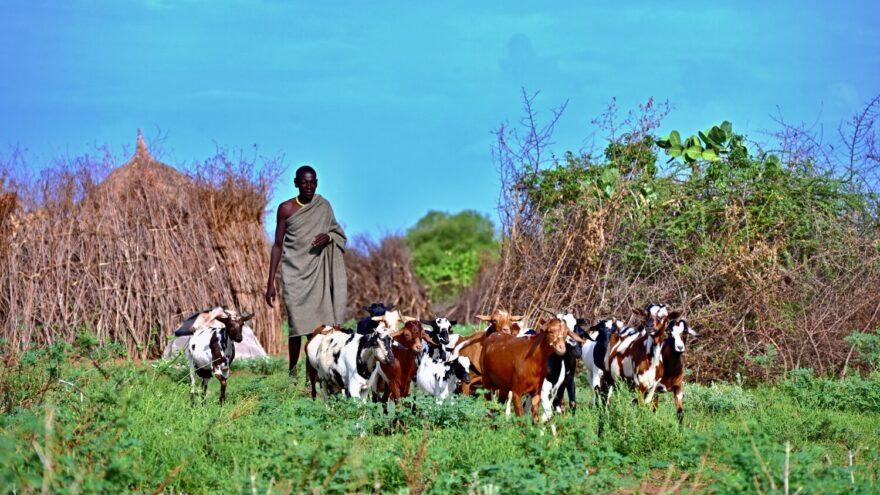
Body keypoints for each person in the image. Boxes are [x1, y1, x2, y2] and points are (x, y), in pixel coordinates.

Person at [265, 165, 347, 380]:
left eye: (313, 182)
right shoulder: (286, 209)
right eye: (304, 182)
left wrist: (328, 238)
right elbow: (277, 245)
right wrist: (270, 282)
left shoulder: (324, 206)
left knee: (316, 330)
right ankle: (292, 373)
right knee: (295, 329)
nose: (309, 186)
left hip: (317, 273)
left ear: (317, 183)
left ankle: (314, 376)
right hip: (293, 275)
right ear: (296, 183)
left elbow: (337, 232)